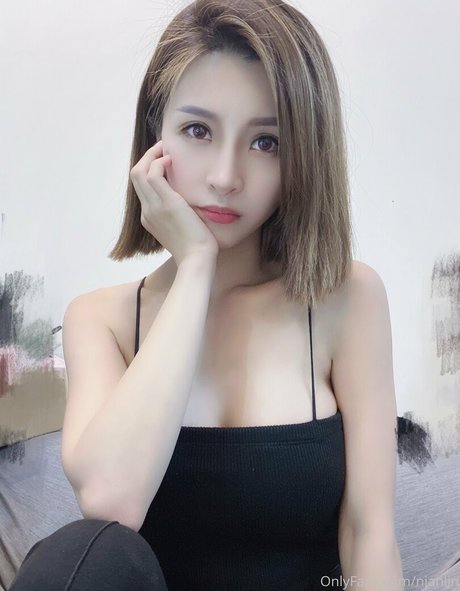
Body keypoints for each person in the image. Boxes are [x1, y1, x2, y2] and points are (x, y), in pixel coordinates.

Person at [9, 0, 404, 589]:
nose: (225, 176)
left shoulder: (346, 299)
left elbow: (368, 532)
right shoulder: (102, 320)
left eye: (266, 142)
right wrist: (196, 266)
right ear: (155, 137)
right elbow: (111, 504)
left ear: (304, 157)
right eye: (198, 131)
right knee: (77, 554)